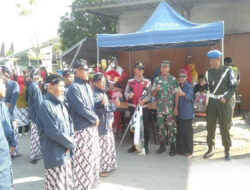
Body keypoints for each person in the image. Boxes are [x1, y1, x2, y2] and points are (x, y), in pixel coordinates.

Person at [37, 74, 76, 190]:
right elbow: (53, 132)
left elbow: (70, 123)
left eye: (64, 86)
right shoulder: (45, 106)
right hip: (54, 154)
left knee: (66, 184)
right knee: (56, 185)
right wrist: (71, 144)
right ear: (50, 87)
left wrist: (71, 140)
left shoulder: (61, 103)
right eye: (60, 86)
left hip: (66, 152)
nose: (63, 89)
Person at [67, 59, 100, 189]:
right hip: (81, 128)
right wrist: (95, 118)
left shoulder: (86, 85)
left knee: (92, 156)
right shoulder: (73, 88)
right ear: (77, 71)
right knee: (82, 159)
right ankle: (81, 185)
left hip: (91, 126)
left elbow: (91, 106)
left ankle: (91, 180)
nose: (87, 72)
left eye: (87, 70)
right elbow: (80, 108)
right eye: (84, 70)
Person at [204, 50, 237, 161]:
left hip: (224, 102)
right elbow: (207, 88)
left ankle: (227, 150)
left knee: (224, 126)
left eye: (213, 60)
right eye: (210, 60)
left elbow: (233, 86)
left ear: (219, 59)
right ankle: (210, 148)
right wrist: (204, 86)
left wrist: (226, 97)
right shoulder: (208, 73)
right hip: (212, 102)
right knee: (210, 126)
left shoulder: (228, 71)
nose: (211, 62)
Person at [93, 73, 119, 177]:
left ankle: (109, 165)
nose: (103, 84)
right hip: (101, 125)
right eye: (101, 82)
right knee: (103, 148)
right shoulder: (95, 95)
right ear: (95, 83)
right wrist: (113, 106)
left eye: (104, 82)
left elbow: (106, 107)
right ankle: (102, 169)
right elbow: (99, 110)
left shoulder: (102, 93)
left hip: (107, 124)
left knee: (109, 146)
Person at [152, 60, 179, 156]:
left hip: (170, 109)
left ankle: (172, 146)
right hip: (160, 108)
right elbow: (153, 93)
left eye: (166, 67)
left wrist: (176, 107)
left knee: (171, 128)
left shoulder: (173, 79)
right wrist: (156, 89)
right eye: (163, 67)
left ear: (169, 68)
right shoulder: (157, 79)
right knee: (160, 127)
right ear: (160, 68)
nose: (164, 69)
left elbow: (176, 93)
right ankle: (162, 145)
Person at [124, 61, 151, 155]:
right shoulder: (130, 81)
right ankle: (134, 145)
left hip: (144, 108)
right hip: (133, 107)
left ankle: (145, 146)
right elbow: (125, 92)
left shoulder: (147, 82)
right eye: (138, 69)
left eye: (142, 69)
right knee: (133, 127)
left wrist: (145, 99)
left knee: (145, 128)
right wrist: (129, 95)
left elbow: (150, 95)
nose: (140, 71)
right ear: (135, 70)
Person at [1, 66, 20, 157]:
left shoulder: (14, 84)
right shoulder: (2, 84)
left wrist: (7, 107)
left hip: (11, 114)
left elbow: (13, 101)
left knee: (13, 133)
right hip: (5, 114)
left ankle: (14, 152)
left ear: (5, 73)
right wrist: (5, 104)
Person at [176, 69, 194, 157]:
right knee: (180, 132)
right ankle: (180, 150)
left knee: (187, 133)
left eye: (183, 76)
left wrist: (183, 94)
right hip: (179, 113)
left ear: (186, 77)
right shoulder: (177, 86)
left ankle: (189, 151)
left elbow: (190, 97)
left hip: (187, 113)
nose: (181, 78)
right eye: (180, 76)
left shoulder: (189, 86)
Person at [28, 68, 43, 164]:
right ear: (38, 77)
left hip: (33, 114)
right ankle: (34, 156)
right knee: (36, 136)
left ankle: (35, 154)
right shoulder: (36, 88)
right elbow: (39, 104)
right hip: (37, 115)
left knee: (35, 136)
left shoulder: (31, 85)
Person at [0, 76, 12, 190]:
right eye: (2, 85)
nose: (5, 88)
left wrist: (11, 142)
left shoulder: (2, 103)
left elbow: (6, 124)